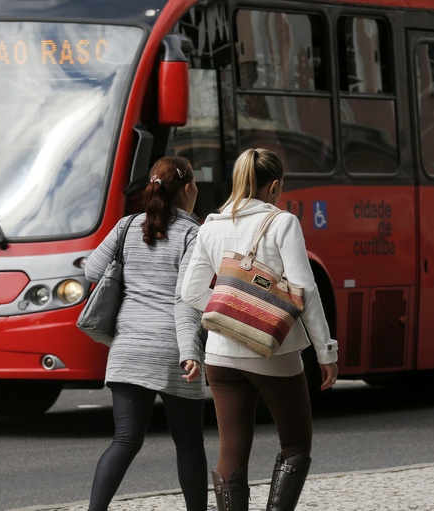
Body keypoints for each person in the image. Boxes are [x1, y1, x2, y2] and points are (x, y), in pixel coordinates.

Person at [181, 148, 339, 511]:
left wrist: (232, 315)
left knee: (232, 449)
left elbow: (190, 291)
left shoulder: (211, 225)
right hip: (275, 354)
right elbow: (306, 290)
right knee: (296, 444)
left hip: (220, 355)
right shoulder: (282, 222)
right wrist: (325, 351)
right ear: (273, 187)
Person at [84, 156, 208, 511]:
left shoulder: (127, 226)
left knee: (124, 440)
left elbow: (93, 268)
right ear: (187, 190)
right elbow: (186, 300)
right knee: (188, 443)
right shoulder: (191, 234)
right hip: (171, 350)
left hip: (127, 348)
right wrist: (190, 352)